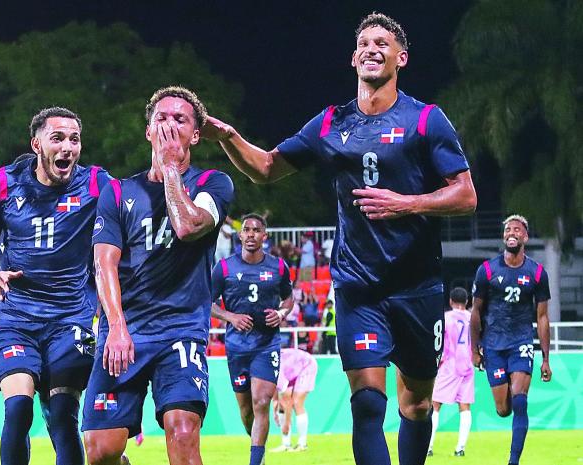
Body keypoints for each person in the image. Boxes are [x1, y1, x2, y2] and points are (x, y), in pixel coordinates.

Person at [202, 13, 477, 465]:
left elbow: (466, 194)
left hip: (418, 286)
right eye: (364, 43)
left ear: (401, 58)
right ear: (353, 58)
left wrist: (406, 203)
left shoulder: (426, 120)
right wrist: (228, 137)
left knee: (417, 404)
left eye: (383, 43)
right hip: (358, 286)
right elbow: (268, 168)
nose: (372, 48)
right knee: (367, 405)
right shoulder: (331, 123)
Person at [82, 86, 234, 465]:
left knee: (182, 434)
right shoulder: (117, 192)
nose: (169, 126)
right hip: (125, 331)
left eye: (180, 119)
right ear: (148, 131)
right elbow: (104, 264)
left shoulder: (214, 184)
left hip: (180, 331)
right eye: (160, 119)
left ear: (195, 135)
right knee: (102, 451)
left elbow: (186, 226)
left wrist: (169, 167)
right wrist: (115, 326)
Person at [0, 107, 110, 465]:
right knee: (18, 410)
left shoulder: (97, 184)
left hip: (71, 320)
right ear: (36, 144)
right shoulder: (3, 183)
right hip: (16, 317)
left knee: (63, 416)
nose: (67, 147)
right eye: (58, 138)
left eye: (74, 139)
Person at [210, 213, 292, 465]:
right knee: (247, 412)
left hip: (266, 345)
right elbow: (207, 302)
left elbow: (289, 299)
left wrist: (281, 313)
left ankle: (255, 461)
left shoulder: (278, 267)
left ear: (264, 236)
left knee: (261, 401)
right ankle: (259, 449)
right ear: (240, 234)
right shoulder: (224, 268)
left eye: (257, 230)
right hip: (236, 347)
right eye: (247, 230)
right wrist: (230, 317)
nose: (251, 234)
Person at [470, 215, 551, 465]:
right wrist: (474, 349)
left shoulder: (537, 273)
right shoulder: (486, 270)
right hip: (493, 344)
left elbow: (543, 316)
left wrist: (546, 358)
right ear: (504, 236)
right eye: (508, 229)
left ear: (525, 237)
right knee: (503, 410)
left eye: (517, 229)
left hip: (522, 341)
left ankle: (513, 461)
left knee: (520, 400)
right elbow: (475, 312)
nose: (512, 232)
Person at [428, 287, 474, 457]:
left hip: (450, 364)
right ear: (467, 302)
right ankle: (460, 448)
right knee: (465, 406)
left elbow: (438, 342)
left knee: (435, 405)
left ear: (450, 301)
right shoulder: (472, 318)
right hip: (467, 365)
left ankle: (428, 446)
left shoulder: (446, 318)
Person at [271, 347, 317, 452]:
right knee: (280, 405)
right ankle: (286, 444)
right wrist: (275, 406)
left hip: (306, 365)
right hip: (292, 370)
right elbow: (275, 392)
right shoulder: (268, 369)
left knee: (297, 403)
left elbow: (288, 401)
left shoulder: (276, 369)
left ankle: (302, 444)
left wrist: (287, 423)